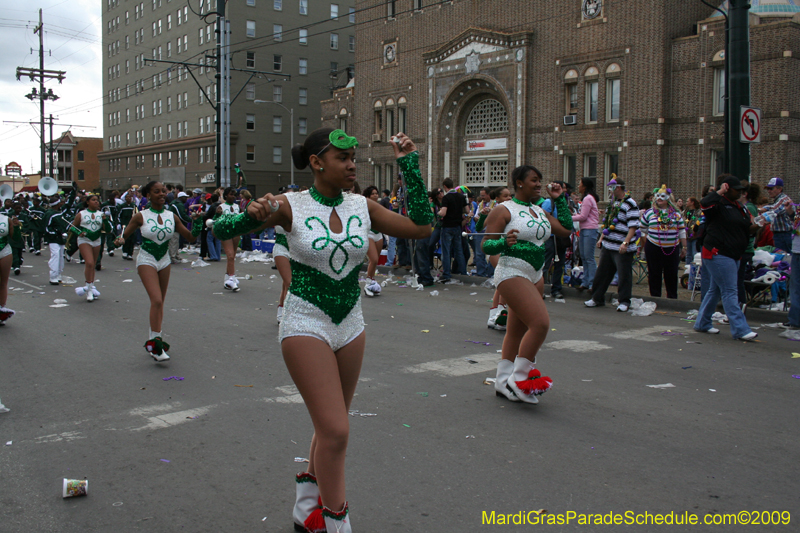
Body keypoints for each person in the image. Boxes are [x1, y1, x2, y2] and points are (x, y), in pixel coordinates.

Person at [213, 128, 432, 533]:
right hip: (304, 322)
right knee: (335, 430)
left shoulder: (362, 205)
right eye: (342, 158)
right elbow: (221, 231)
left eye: (353, 158)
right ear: (316, 162)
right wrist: (249, 214)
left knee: (330, 426)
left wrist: (409, 165)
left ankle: (306, 507)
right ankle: (337, 523)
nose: (351, 165)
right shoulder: (289, 205)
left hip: (351, 324)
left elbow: (421, 227)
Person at [482, 165, 573, 403]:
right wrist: (504, 242)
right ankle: (520, 378)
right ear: (519, 183)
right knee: (540, 324)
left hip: (536, 274)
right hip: (511, 272)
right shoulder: (503, 210)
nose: (539, 184)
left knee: (515, 332)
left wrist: (560, 199)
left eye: (540, 180)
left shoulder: (539, 211)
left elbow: (566, 229)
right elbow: (486, 245)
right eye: (534, 180)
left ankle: (503, 381)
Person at [115, 181, 202, 361]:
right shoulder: (141, 216)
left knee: (160, 302)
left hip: (164, 260)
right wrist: (119, 240)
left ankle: (153, 338)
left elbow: (190, 237)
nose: (162, 194)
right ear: (148, 195)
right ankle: (156, 346)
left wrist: (198, 223)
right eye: (157, 191)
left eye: (163, 191)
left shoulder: (172, 216)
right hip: (146, 259)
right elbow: (124, 236)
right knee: (156, 300)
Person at [693, 176, 758, 341]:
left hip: (733, 253)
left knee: (715, 290)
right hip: (718, 252)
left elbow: (747, 229)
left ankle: (702, 323)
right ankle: (740, 329)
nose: (740, 193)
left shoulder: (740, 207)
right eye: (737, 190)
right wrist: (719, 191)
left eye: (742, 191)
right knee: (730, 290)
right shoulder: (718, 204)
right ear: (728, 188)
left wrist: (760, 224)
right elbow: (704, 203)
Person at [585, 177, 640, 312]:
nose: (609, 191)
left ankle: (624, 301)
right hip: (608, 245)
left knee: (624, 275)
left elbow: (633, 226)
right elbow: (608, 223)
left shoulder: (630, 203)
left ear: (618, 188)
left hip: (621, 247)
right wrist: (601, 238)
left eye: (611, 188)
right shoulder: (613, 203)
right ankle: (597, 298)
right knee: (602, 274)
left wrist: (625, 243)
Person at [638, 185, 687, 299]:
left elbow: (681, 230)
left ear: (668, 198)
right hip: (654, 247)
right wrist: (652, 234)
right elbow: (642, 228)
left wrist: (684, 247)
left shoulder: (676, 214)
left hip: (672, 248)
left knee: (671, 274)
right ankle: (655, 298)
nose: (659, 198)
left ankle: (672, 299)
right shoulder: (649, 212)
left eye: (662, 196)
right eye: (658, 196)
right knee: (654, 273)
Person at [70, 194, 113, 302]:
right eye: (93, 200)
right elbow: (73, 227)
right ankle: (89, 289)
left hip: (97, 240)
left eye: (97, 200)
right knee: (89, 263)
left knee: (92, 264)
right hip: (84, 240)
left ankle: (91, 286)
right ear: (87, 202)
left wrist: (105, 220)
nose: (96, 202)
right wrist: (79, 232)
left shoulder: (101, 214)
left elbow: (108, 230)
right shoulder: (81, 214)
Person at [486, 186, 512, 330]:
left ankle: (493, 317)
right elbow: (482, 228)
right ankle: (499, 315)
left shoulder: (511, 211)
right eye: (505, 196)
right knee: (505, 282)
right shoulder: (496, 211)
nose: (509, 198)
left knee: (501, 285)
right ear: (497, 199)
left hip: (508, 250)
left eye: (510, 195)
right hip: (497, 249)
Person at [43, 187, 77, 285]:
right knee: (55, 255)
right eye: (60, 202)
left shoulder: (61, 211)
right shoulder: (49, 214)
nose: (62, 203)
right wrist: (56, 233)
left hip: (61, 239)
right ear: (57, 204)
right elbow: (46, 228)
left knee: (61, 256)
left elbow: (69, 203)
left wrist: (73, 192)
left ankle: (58, 274)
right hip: (53, 239)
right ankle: (53, 276)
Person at [572, 178, 600, 292]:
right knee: (583, 256)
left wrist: (569, 218)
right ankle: (586, 282)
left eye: (580, 184)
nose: (578, 186)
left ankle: (593, 283)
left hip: (590, 229)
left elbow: (583, 216)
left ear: (584, 187)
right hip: (585, 229)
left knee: (589, 257)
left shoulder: (588, 198)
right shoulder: (587, 198)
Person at [438, 177, 468, 283]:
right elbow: (467, 210)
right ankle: (463, 272)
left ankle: (446, 273)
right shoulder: (461, 196)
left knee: (446, 251)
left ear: (445, 186)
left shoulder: (446, 198)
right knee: (459, 250)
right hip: (458, 226)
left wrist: (438, 213)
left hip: (447, 226)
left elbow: (443, 213)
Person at [759, 177, 794, 252]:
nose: (769, 191)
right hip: (780, 234)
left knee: (784, 255)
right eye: (768, 189)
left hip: (784, 235)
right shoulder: (778, 200)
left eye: (771, 189)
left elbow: (775, 209)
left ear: (780, 189)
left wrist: (759, 209)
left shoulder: (784, 199)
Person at [362, 186, 383, 296]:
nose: (375, 195)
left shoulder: (379, 207)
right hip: (368, 234)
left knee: (376, 261)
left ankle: (372, 281)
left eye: (376, 193)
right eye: (373, 194)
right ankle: (367, 284)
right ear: (368, 196)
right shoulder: (364, 207)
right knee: (373, 259)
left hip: (378, 235)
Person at [473, 187, 496, 277]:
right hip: (481, 231)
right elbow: (476, 216)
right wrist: (479, 217)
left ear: (489, 195)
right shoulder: (481, 204)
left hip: (491, 231)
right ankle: (481, 273)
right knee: (479, 253)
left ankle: (490, 273)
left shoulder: (496, 204)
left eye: (483, 195)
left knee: (492, 253)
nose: (481, 197)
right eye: (481, 195)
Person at [0, 207, 16, 325]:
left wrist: (16, 228)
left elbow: (15, 239)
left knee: (3, 282)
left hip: (4, 250)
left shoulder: (6, 219)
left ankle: (1, 310)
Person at [168, 191, 191, 264]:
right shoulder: (179, 205)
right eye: (185, 197)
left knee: (176, 241)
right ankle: (172, 257)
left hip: (172, 225)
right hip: (175, 226)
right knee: (174, 242)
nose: (186, 199)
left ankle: (176, 255)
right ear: (181, 198)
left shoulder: (175, 203)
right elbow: (182, 216)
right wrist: (190, 220)